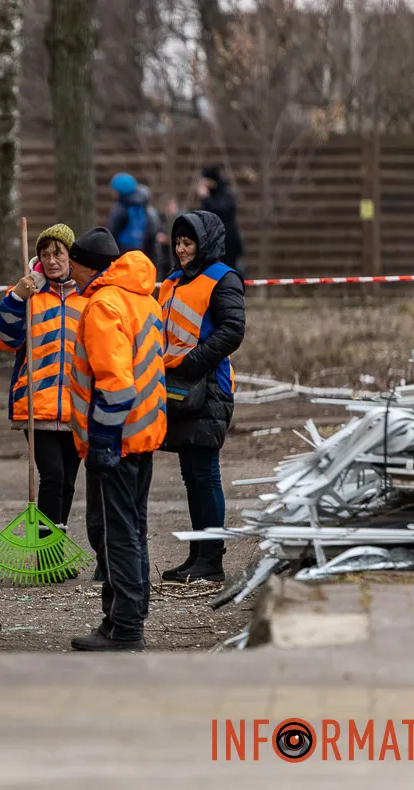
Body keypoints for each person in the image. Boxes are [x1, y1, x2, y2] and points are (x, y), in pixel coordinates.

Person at [65, 228, 167, 652]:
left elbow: (116, 383)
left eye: (73, 268)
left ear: (90, 266)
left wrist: (103, 442)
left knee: (117, 534)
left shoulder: (104, 304)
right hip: (142, 432)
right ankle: (122, 619)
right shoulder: (142, 297)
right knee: (132, 529)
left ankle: (125, 628)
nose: (71, 277)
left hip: (117, 438)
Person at [157, 211, 246, 584]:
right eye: (177, 243)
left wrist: (193, 363)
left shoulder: (223, 279)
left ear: (204, 243)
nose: (180, 249)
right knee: (191, 472)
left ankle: (212, 560)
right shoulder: (173, 281)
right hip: (177, 386)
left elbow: (232, 330)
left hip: (209, 387)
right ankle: (197, 554)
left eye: (188, 243)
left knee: (206, 473)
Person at [0, 223, 86, 538]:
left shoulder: (86, 297)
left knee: (69, 480)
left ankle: (55, 549)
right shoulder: (29, 294)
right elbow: (4, 339)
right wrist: (17, 297)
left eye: (58, 254)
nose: (51, 261)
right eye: (45, 255)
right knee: (54, 476)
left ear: (72, 257)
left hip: (75, 406)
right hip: (37, 405)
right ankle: (45, 555)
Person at [198, 166, 245, 273]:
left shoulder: (226, 194)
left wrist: (206, 198)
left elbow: (220, 212)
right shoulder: (213, 195)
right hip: (213, 241)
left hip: (228, 241)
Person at [106, 173, 162, 258]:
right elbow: (153, 232)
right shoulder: (146, 207)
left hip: (123, 255)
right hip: (143, 256)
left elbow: (112, 234)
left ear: (119, 191)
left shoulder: (119, 209)